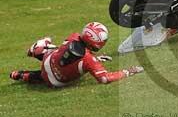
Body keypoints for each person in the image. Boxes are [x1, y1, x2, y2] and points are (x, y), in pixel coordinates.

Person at [10, 22, 144, 87]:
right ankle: (22, 75)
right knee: (48, 74)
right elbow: (104, 79)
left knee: (52, 50)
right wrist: (128, 72)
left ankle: (36, 52)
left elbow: (63, 53)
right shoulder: (89, 60)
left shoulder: (73, 36)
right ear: (98, 42)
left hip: (48, 62)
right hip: (55, 82)